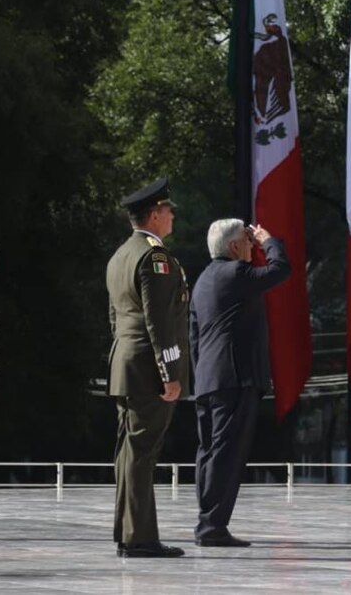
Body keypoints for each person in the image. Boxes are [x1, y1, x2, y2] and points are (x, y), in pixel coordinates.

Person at [190, 220, 291, 547]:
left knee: (209, 452)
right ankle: (212, 527)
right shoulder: (235, 274)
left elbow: (194, 337)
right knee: (226, 454)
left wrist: (202, 374)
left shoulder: (204, 279)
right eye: (248, 240)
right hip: (234, 378)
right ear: (234, 247)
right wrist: (269, 240)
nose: (252, 245)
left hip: (209, 379)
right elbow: (280, 270)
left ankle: (208, 520)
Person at [106, 177, 192, 558]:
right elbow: (159, 320)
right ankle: (140, 537)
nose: (172, 215)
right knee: (141, 452)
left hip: (126, 363)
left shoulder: (120, 255)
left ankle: (128, 532)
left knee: (128, 450)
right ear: (154, 215)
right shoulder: (155, 257)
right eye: (168, 210)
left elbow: (115, 317)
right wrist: (169, 373)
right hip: (147, 368)